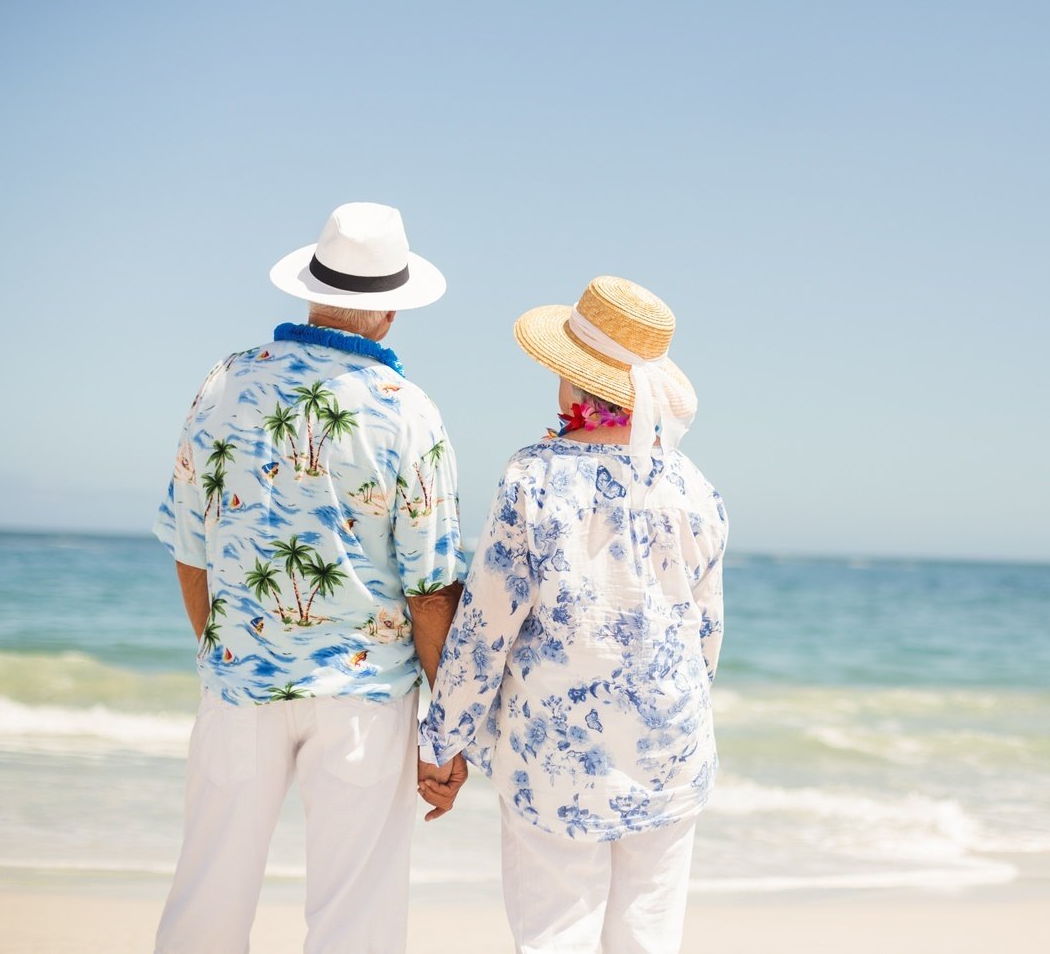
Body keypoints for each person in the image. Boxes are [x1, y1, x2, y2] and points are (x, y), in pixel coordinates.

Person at [152, 201, 470, 953]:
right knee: (354, 919)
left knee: (206, 898)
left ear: (310, 288)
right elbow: (431, 590)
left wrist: (225, 649)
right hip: (364, 703)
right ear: (389, 313)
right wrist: (446, 727)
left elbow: (189, 545)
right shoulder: (408, 412)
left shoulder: (224, 382)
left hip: (238, 688)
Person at [420, 275, 728, 954]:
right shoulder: (694, 486)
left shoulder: (534, 476)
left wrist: (443, 741)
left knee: (555, 933)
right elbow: (706, 632)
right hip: (669, 750)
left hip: (554, 755)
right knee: (649, 938)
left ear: (574, 384)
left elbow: (484, 631)